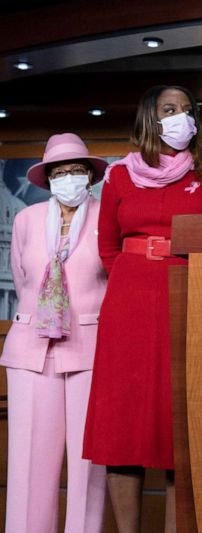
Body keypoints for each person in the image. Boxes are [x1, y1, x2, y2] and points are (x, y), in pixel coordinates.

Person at [82, 85, 202, 533]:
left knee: (177, 429)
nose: (180, 118)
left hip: (189, 296)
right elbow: (108, 247)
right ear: (149, 118)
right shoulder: (118, 176)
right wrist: (137, 274)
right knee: (123, 427)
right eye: (170, 110)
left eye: (188, 110)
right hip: (129, 302)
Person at [1, 133, 108, 533]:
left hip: (90, 350)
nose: (69, 178)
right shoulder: (26, 220)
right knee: (29, 462)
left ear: (89, 176)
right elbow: (23, 278)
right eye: (60, 172)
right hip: (30, 350)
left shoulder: (106, 217)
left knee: (88, 466)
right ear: (47, 179)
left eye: (76, 170)